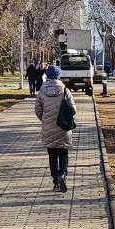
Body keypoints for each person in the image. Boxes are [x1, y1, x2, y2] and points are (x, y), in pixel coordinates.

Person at [33, 64, 76, 192]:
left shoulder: (42, 91)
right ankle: (62, 174)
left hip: (48, 128)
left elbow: (37, 110)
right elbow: (73, 109)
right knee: (63, 153)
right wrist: (66, 117)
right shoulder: (65, 90)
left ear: (47, 76)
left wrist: (45, 120)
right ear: (58, 76)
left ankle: (56, 181)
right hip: (63, 127)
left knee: (52, 155)